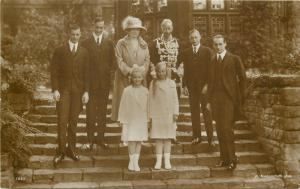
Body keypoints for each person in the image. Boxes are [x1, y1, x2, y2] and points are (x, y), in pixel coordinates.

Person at [51, 24, 89, 167]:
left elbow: (87, 74)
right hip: (64, 90)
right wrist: (55, 89)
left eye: (77, 34)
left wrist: (86, 91)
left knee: (73, 121)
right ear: (69, 34)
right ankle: (60, 151)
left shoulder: (84, 52)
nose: (75, 36)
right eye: (73, 34)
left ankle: (71, 149)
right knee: (62, 120)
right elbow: (53, 71)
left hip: (78, 91)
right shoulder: (60, 51)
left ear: (80, 35)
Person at [207, 34, 246, 170]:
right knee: (219, 129)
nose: (218, 47)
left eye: (220, 44)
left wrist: (239, 97)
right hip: (216, 99)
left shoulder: (234, 59)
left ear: (225, 44)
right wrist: (209, 101)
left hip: (229, 99)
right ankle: (223, 159)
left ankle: (232, 159)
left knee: (227, 129)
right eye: (215, 44)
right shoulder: (212, 60)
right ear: (213, 46)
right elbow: (210, 82)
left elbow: (243, 79)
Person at [82, 17, 114, 150]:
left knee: (102, 113)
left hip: (104, 85)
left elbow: (113, 63)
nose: (99, 29)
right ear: (93, 26)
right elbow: (82, 64)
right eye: (97, 27)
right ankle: (90, 140)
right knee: (90, 113)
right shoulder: (86, 43)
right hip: (90, 85)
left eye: (101, 27)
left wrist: (109, 76)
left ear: (104, 27)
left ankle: (100, 139)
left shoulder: (109, 43)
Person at [111, 16, 150, 123]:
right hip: (125, 78)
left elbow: (147, 60)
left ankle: (138, 130)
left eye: (137, 29)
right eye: (133, 29)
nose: (135, 31)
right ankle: (126, 131)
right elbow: (119, 60)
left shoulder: (144, 44)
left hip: (139, 79)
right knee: (126, 104)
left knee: (139, 104)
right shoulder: (121, 43)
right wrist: (130, 71)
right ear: (128, 30)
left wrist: (141, 72)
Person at [149, 19, 182, 145]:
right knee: (159, 107)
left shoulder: (178, 42)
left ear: (172, 28)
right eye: (165, 28)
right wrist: (154, 74)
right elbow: (151, 60)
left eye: (169, 28)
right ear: (161, 29)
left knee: (172, 107)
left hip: (173, 79)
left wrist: (179, 72)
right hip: (159, 78)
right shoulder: (155, 43)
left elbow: (181, 60)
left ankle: (172, 134)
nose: (167, 31)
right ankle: (157, 133)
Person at [182, 29, 215, 147]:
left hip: (204, 88)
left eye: (196, 37)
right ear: (189, 39)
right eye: (192, 38)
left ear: (200, 37)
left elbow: (211, 71)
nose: (194, 40)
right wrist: (184, 85)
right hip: (192, 88)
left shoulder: (207, 51)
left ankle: (210, 138)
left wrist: (207, 85)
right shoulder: (186, 53)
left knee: (207, 112)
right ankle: (197, 137)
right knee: (194, 112)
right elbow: (186, 70)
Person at [118, 67, 149, 172]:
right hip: (130, 119)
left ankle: (136, 161)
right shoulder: (127, 90)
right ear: (131, 78)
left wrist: (148, 119)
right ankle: (131, 161)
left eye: (139, 77)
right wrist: (121, 119)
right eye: (135, 77)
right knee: (131, 139)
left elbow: (148, 106)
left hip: (141, 118)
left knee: (138, 140)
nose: (137, 79)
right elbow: (122, 105)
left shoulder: (145, 91)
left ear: (142, 78)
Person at [149, 62, 179, 170]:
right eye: (159, 71)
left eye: (163, 71)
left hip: (168, 114)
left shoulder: (171, 83)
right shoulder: (153, 83)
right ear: (156, 72)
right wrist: (150, 116)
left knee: (167, 139)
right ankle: (158, 161)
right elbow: (150, 101)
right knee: (158, 139)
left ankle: (167, 160)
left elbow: (175, 99)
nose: (161, 73)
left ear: (166, 71)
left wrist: (175, 112)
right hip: (157, 114)